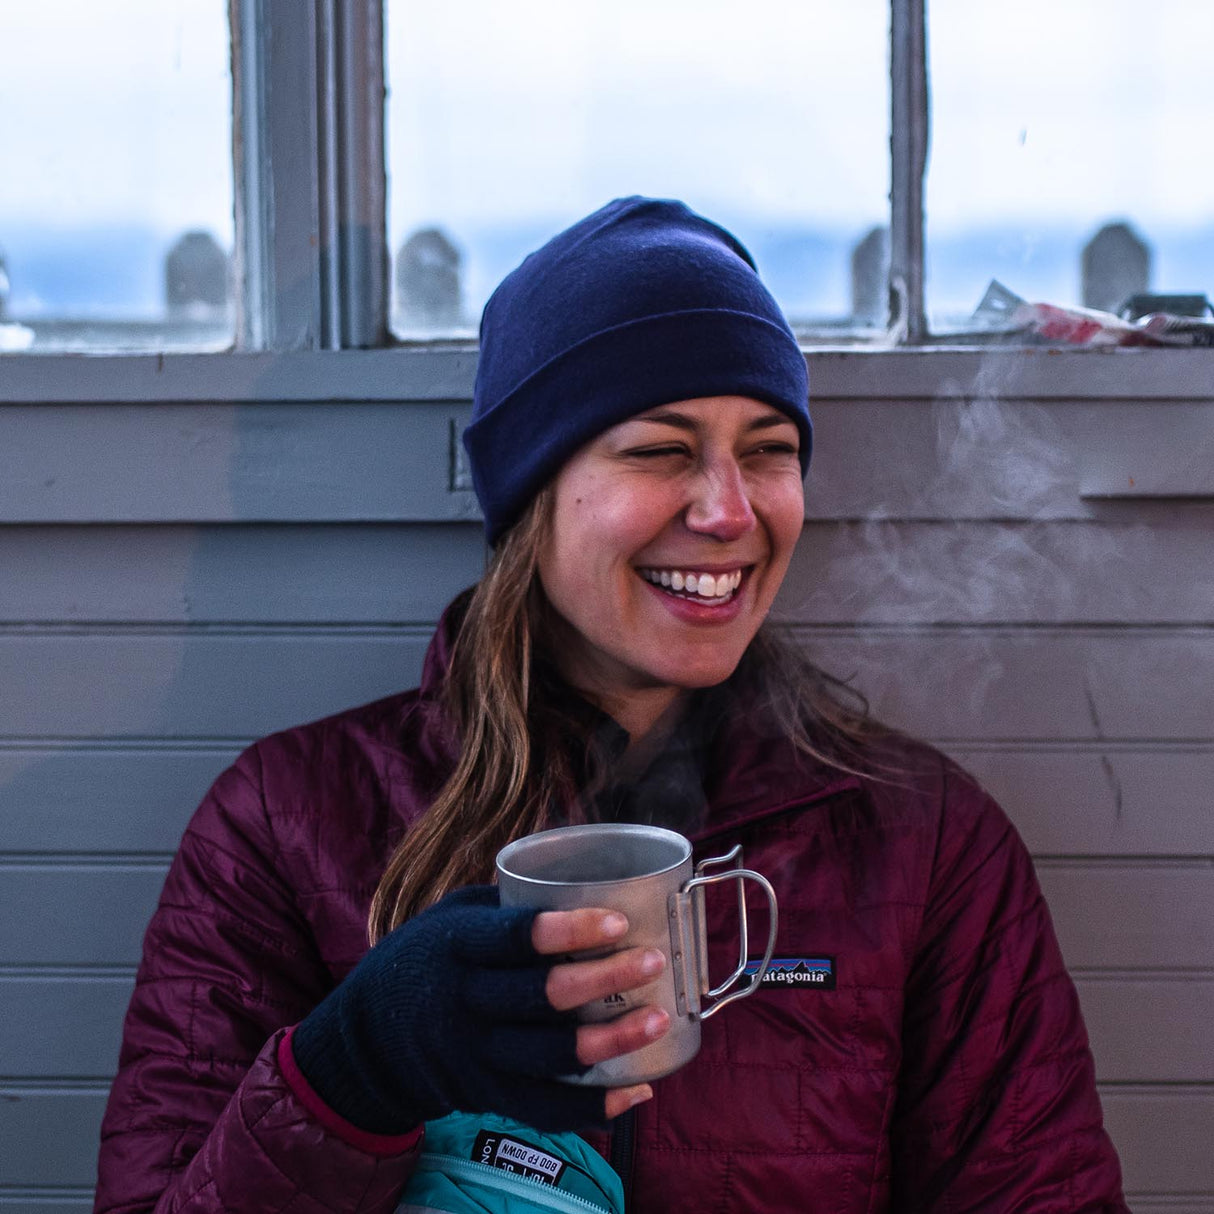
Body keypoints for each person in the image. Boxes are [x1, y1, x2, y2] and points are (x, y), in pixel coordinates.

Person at [95, 197, 1128, 1212]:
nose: (728, 510)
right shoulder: (285, 825)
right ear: (532, 490)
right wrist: (353, 1067)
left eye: (768, 448)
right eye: (659, 449)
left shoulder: (922, 842)